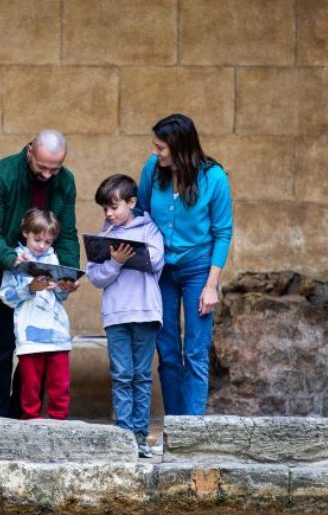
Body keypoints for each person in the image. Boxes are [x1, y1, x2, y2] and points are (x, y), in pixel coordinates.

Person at [0, 130, 80, 418]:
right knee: (2, 345)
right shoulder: (1, 174)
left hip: (44, 281)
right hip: (3, 274)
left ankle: (22, 414)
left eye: (54, 169)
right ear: (29, 151)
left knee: (34, 351)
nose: (47, 175)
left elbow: (67, 233)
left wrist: (68, 272)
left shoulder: (65, 181)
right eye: (42, 167)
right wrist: (10, 257)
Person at [135, 114, 233, 416]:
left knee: (196, 350)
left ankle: (192, 430)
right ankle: (175, 426)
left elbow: (223, 232)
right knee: (166, 350)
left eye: (161, 147)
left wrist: (210, 286)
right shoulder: (153, 170)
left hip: (198, 270)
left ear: (179, 148)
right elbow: (140, 213)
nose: (155, 152)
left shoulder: (213, 177)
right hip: (162, 269)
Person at [86, 174, 164, 457]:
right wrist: (115, 263)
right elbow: (95, 276)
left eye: (114, 207)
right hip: (116, 315)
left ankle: (140, 435)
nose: (109, 214)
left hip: (145, 313)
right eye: (105, 209)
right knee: (121, 374)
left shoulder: (149, 230)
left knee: (141, 375)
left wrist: (127, 255)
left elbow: (155, 260)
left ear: (131, 202)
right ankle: (123, 435)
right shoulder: (104, 236)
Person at [0, 209, 73, 420]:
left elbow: (61, 298)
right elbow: (6, 296)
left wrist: (62, 287)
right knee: (30, 383)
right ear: (25, 233)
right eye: (37, 239)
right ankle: (31, 419)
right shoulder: (15, 260)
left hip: (57, 332)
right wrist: (30, 287)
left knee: (60, 382)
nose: (42, 246)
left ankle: (59, 419)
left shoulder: (54, 258)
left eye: (48, 241)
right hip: (29, 332)